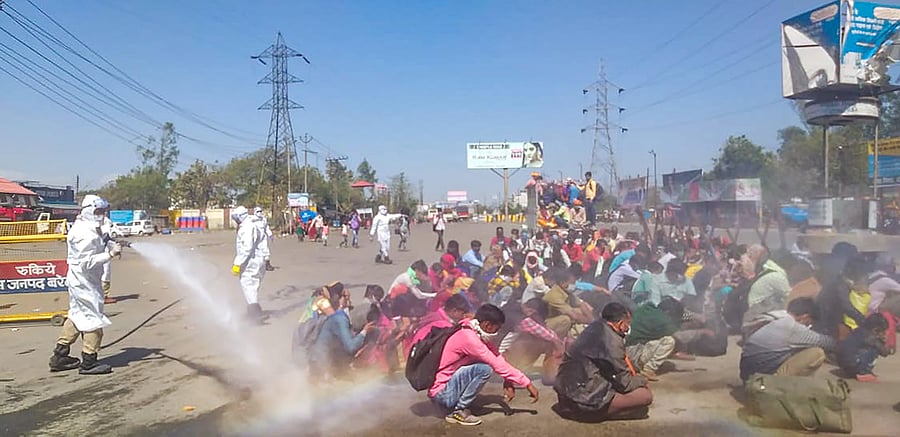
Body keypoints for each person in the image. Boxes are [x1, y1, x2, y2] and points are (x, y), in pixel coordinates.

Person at [429, 304, 539, 426]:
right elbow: (496, 363)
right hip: (442, 395)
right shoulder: (469, 338)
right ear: (487, 325)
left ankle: (456, 404)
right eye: (496, 328)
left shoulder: (471, 330)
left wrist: (508, 380)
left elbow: (497, 356)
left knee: (483, 365)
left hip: (443, 391)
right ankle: (458, 411)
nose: (497, 332)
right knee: (484, 369)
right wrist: (527, 383)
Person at [48, 195, 121, 375]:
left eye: (103, 211)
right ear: (88, 211)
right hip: (85, 282)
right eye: (98, 212)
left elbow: (100, 236)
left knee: (77, 315)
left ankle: (60, 356)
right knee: (93, 319)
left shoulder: (85, 225)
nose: (101, 215)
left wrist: (109, 240)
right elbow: (85, 262)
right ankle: (89, 362)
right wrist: (110, 254)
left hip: (81, 280)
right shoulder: (83, 234)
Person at [554, 303, 653, 421]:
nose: (628, 327)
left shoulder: (594, 327)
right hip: (583, 399)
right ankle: (595, 414)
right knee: (645, 396)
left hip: (564, 394)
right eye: (628, 323)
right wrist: (642, 381)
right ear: (621, 323)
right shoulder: (612, 341)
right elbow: (625, 383)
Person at [739, 297, 836, 382]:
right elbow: (827, 343)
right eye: (808, 323)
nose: (808, 326)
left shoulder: (777, 318)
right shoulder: (793, 328)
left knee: (798, 349)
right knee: (817, 353)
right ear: (804, 317)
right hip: (763, 380)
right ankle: (789, 389)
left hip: (748, 375)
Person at [308, 284, 376, 380]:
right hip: (322, 364)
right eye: (345, 296)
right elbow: (351, 347)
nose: (348, 300)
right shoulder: (339, 319)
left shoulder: (335, 317)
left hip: (319, 360)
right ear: (339, 298)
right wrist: (365, 331)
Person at [499, 298, 564, 385]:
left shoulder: (512, 308)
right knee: (542, 342)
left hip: (496, 355)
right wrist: (560, 346)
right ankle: (549, 376)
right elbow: (549, 336)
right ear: (532, 311)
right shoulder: (522, 319)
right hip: (500, 357)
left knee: (536, 338)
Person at [231, 206, 268, 322]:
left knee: (248, 284)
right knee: (252, 286)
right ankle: (253, 309)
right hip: (256, 259)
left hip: (250, 261)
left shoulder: (247, 227)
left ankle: (255, 313)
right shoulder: (251, 224)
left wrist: (237, 263)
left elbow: (247, 247)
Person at [625, 301, 678, 381]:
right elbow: (680, 336)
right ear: (668, 312)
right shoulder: (662, 319)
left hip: (623, 353)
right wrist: (700, 332)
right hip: (633, 355)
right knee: (669, 341)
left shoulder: (644, 310)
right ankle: (648, 369)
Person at [837, 312, 892, 382]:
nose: (884, 334)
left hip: (843, 365)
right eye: (883, 332)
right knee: (875, 349)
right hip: (852, 365)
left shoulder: (858, 331)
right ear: (876, 330)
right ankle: (863, 372)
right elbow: (885, 353)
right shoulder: (870, 337)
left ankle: (856, 371)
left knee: (870, 347)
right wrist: (883, 342)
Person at [99, 213, 115, 304]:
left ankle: (103, 295)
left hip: (103, 252)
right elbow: (108, 239)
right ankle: (104, 296)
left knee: (104, 273)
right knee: (105, 273)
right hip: (104, 253)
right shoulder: (104, 226)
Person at [254, 207, 275, 271]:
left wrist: (270, 235)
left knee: (266, 251)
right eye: (258, 211)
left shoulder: (263, 219)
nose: (259, 213)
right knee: (255, 253)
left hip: (263, 239)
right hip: (255, 239)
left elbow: (266, 228)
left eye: (260, 211)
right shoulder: (252, 220)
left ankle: (267, 265)